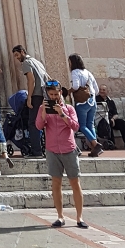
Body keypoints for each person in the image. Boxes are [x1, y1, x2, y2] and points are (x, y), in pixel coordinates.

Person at [36, 79, 87, 228]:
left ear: (60, 93)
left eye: (56, 94)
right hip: (52, 149)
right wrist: (44, 112)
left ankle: (79, 217)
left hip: (68, 149)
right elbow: (39, 126)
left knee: (75, 183)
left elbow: (75, 126)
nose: (53, 97)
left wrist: (62, 113)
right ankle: (60, 216)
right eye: (50, 94)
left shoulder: (69, 108)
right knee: (56, 183)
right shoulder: (42, 108)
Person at [12, 45, 49, 157]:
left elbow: (31, 80)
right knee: (45, 122)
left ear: (22, 52)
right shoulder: (37, 62)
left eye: (17, 55)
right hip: (44, 95)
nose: (17, 58)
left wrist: (29, 97)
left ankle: (36, 151)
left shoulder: (26, 63)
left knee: (33, 123)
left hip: (36, 95)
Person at [67, 54, 103, 157]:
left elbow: (76, 86)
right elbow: (96, 90)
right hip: (93, 102)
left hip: (82, 103)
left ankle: (96, 144)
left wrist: (69, 91)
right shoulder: (88, 72)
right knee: (90, 124)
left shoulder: (75, 72)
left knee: (82, 126)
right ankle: (94, 148)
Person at [95, 84, 125, 149]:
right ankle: (112, 144)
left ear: (107, 91)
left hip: (111, 119)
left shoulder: (110, 101)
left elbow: (115, 113)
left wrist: (113, 119)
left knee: (122, 123)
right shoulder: (96, 100)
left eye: (103, 90)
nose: (101, 91)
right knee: (108, 122)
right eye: (100, 90)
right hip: (100, 120)